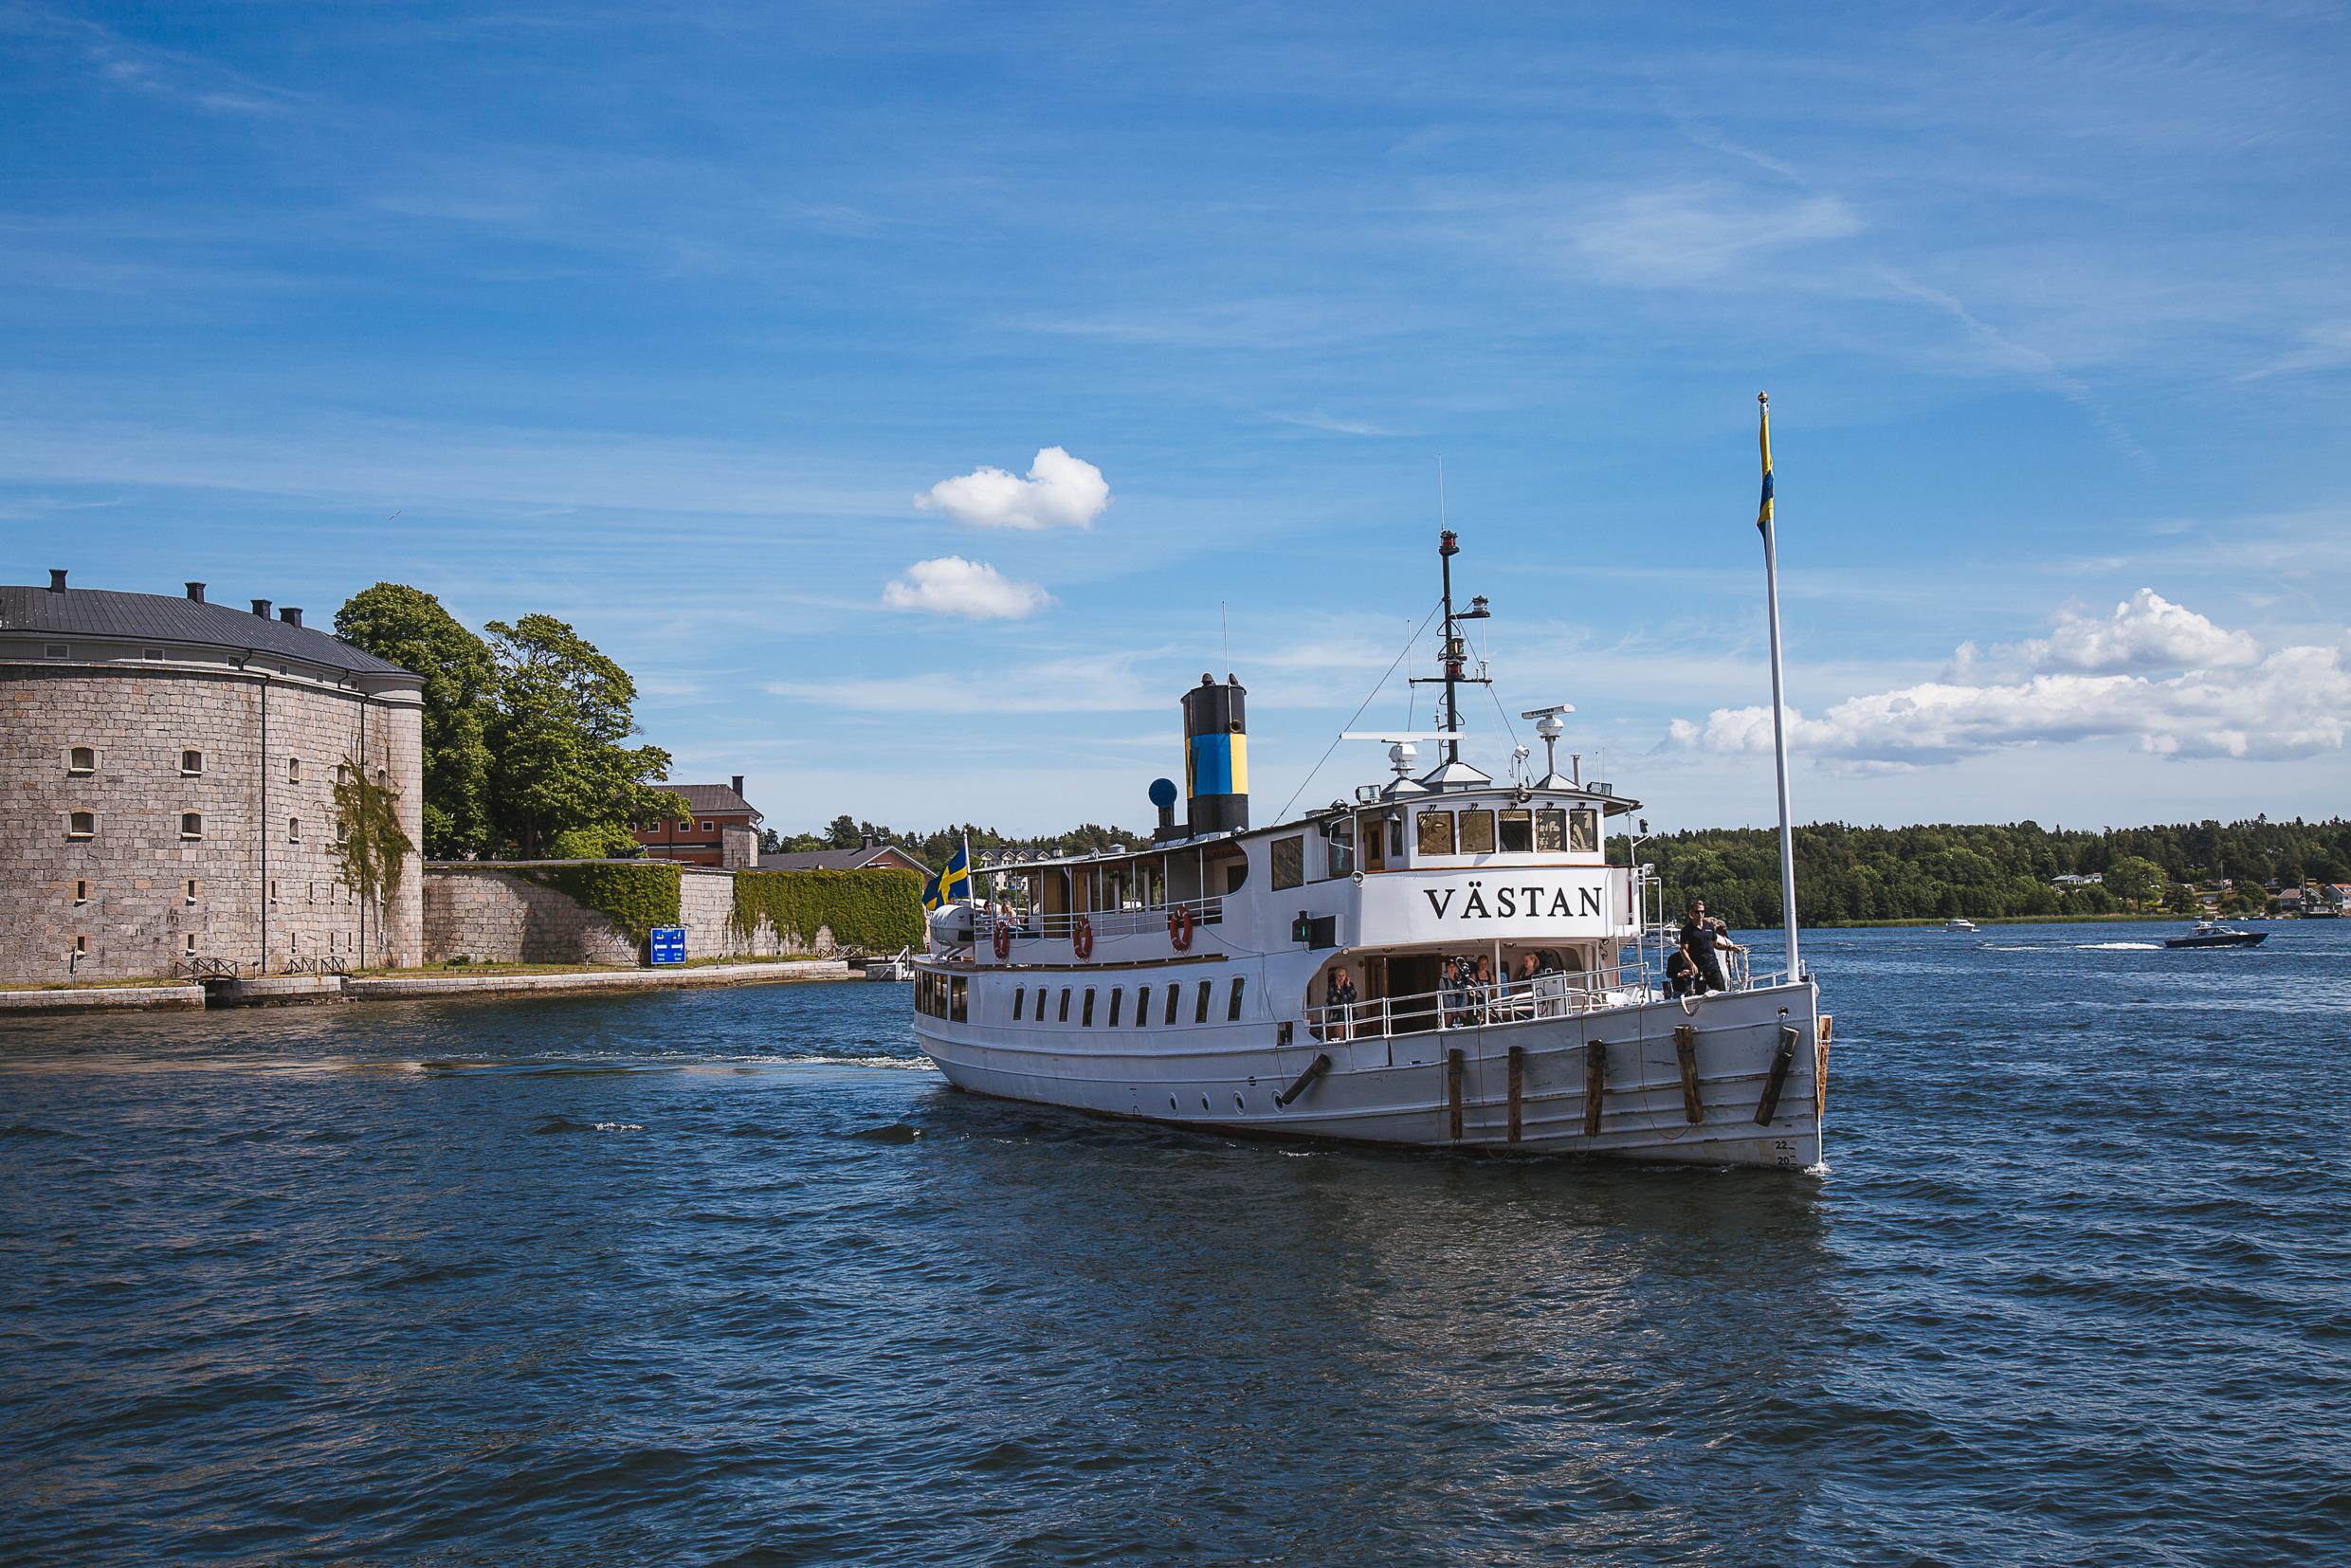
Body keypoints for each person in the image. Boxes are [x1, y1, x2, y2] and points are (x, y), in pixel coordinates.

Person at [1679, 901, 1743, 993]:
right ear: (1691, 913)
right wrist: (1691, 964)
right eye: (1697, 912)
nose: (1700, 914)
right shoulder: (1686, 930)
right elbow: (1683, 950)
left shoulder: (1709, 926)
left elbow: (1715, 944)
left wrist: (1730, 947)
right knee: (1699, 995)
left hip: (1713, 966)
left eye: (1702, 912)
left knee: (1721, 992)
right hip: (1698, 968)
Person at [1325, 966, 1358, 1040]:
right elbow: (1334, 1000)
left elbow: (1354, 996)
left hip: (1351, 1013)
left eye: (1343, 975)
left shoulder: (1349, 985)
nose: (1341, 978)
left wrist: (1349, 986)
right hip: (1338, 1015)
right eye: (1339, 976)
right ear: (1336, 977)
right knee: (1339, 1038)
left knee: (1351, 1037)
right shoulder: (1332, 986)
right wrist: (1338, 989)